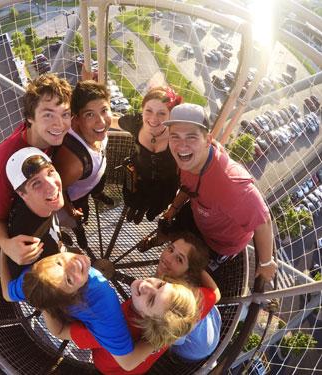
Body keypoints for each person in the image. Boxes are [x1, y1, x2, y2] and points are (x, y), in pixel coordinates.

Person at [0, 251, 200, 373]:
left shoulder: (106, 320)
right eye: (161, 284)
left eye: (150, 299)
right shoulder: (174, 316)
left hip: (108, 368)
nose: (148, 286)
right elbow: (212, 295)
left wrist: (46, 303)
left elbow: (60, 331)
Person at [161, 103, 277, 282]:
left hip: (218, 243)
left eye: (191, 137)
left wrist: (266, 262)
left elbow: (264, 220)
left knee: (188, 276)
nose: (181, 145)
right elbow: (189, 185)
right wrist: (174, 208)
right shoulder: (189, 158)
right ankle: (159, 240)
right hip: (199, 215)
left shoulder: (231, 184)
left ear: (207, 140)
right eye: (175, 136)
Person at [0, 74, 72, 267]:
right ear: (29, 118)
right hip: (28, 224)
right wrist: (7, 245)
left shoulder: (52, 135)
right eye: (48, 115)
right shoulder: (7, 159)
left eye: (65, 114)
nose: (59, 124)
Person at [53, 80, 114, 249]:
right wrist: (70, 211)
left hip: (88, 182)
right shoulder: (75, 164)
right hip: (74, 198)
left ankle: (97, 194)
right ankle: (79, 232)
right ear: (76, 120)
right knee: (79, 218)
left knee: (87, 203)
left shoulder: (96, 132)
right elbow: (57, 189)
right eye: (90, 114)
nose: (101, 122)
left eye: (104, 110)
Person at [115, 86, 182, 224]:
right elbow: (112, 121)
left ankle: (144, 210)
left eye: (162, 113)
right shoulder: (136, 123)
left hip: (164, 185)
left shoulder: (177, 136)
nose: (153, 119)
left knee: (151, 209)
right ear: (142, 109)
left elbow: (199, 144)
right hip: (138, 176)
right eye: (149, 111)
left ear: (171, 115)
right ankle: (134, 208)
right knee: (133, 198)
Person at [156, 232, 222, 362]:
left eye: (179, 259)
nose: (167, 258)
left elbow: (172, 339)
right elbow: (216, 295)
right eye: (170, 249)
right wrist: (195, 267)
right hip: (212, 325)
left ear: (189, 272)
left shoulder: (175, 306)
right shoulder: (188, 285)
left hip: (195, 351)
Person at [4, 147, 65, 279]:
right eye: (36, 183)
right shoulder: (30, 245)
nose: (52, 186)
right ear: (22, 194)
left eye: (50, 172)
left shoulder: (41, 204)